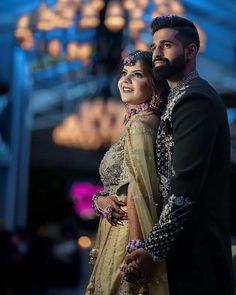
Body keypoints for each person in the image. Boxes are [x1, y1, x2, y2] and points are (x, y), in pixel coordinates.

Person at [125, 15, 235, 295]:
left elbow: (185, 188)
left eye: (166, 45)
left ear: (190, 51)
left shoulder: (195, 99)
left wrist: (153, 251)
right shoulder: (175, 98)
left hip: (194, 251)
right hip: (179, 248)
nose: (157, 53)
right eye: (154, 46)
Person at [86, 50, 170, 294]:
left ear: (155, 86)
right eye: (124, 73)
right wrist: (99, 199)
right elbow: (121, 185)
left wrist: (135, 249)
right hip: (118, 229)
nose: (125, 80)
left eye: (137, 75)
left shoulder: (142, 126)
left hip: (126, 235)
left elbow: (139, 190)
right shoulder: (138, 123)